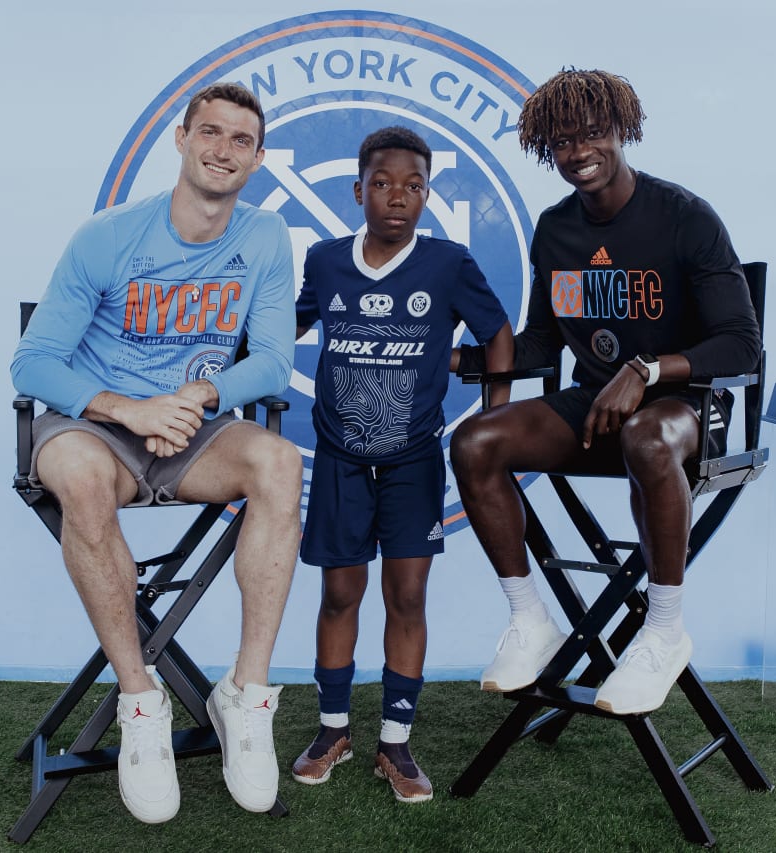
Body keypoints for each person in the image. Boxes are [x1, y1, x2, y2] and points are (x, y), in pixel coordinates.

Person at [10, 83, 302, 823]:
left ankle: (246, 694)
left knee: (280, 461)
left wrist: (196, 397)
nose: (223, 149)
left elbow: (270, 362)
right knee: (78, 474)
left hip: (192, 432)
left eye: (241, 140)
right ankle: (141, 698)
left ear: (259, 158)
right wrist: (130, 409)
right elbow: (34, 363)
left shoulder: (264, 238)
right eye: (210, 132)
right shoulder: (108, 236)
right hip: (98, 432)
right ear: (180, 138)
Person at [451, 69, 760, 715]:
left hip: (693, 411)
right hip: (599, 414)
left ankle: (664, 627)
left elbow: (740, 345)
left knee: (647, 436)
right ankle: (530, 619)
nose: (578, 151)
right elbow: (539, 344)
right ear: (546, 150)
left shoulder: (684, 217)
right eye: (562, 141)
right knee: (475, 440)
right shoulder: (557, 231)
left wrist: (647, 368)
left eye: (592, 133)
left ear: (622, 130)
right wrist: (453, 357)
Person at [290, 126, 513, 802]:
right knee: (338, 594)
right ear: (359, 190)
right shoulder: (327, 262)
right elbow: (289, 323)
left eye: (413, 186)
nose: (397, 197)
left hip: (414, 457)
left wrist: (494, 416)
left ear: (427, 194)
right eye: (383, 184)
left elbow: (496, 333)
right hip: (339, 457)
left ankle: (395, 740)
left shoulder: (446, 263)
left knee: (407, 595)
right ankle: (333, 729)